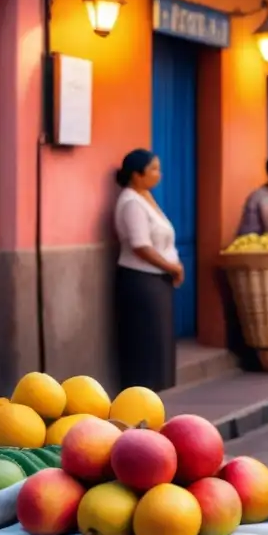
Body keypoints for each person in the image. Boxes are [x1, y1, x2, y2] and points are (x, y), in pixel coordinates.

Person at [113, 149, 183, 392]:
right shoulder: (131, 201)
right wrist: (171, 267)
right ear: (136, 174)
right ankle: (142, 399)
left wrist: (172, 267)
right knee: (146, 344)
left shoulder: (145, 197)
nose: (158, 174)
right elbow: (140, 245)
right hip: (141, 280)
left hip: (157, 281)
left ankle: (160, 398)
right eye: (153, 168)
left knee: (160, 344)